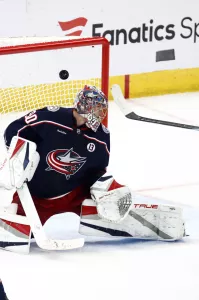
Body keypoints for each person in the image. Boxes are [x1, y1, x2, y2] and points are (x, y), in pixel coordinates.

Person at [0, 85, 185, 253]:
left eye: (100, 109)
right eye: (95, 108)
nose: (98, 113)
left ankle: (146, 221)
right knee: (17, 233)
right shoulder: (50, 118)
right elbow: (14, 129)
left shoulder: (101, 137)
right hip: (36, 198)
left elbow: (97, 171)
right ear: (82, 106)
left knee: (111, 198)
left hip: (76, 194)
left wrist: (106, 190)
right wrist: (19, 155)